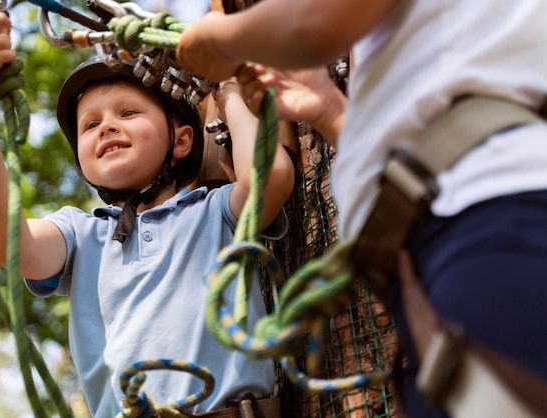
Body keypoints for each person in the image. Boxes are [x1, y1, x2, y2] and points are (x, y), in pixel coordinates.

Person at [176, 1, 547, 417]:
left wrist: (216, 38)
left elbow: (313, 22)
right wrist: (328, 109)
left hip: (490, 228)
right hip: (448, 256)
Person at [0, 2, 295, 417]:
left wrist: (232, 95)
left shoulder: (215, 213)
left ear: (182, 140)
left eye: (128, 113)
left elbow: (270, 177)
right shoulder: (81, 236)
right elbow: (9, 243)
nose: (107, 127)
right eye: (90, 125)